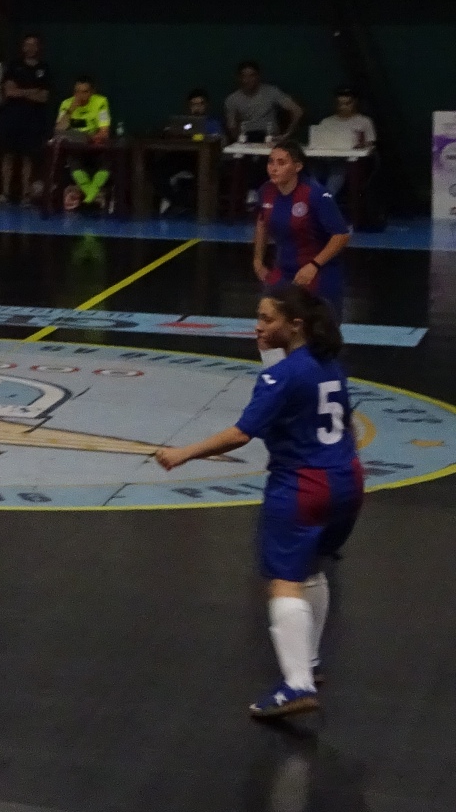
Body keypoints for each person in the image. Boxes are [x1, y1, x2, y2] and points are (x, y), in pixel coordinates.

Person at [156, 286, 361, 719]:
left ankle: (296, 684)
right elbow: (335, 415)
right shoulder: (329, 364)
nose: (257, 326)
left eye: (267, 319)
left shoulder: (280, 377)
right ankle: (310, 661)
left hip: (302, 485)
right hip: (346, 479)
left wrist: (183, 453)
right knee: (313, 568)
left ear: (295, 325)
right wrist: (271, 350)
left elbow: (241, 433)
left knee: (283, 581)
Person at [255, 139, 350, 322]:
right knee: (271, 325)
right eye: (271, 162)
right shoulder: (266, 192)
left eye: (281, 163)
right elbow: (262, 222)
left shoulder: (315, 194)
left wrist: (314, 265)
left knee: (319, 331)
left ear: (297, 167)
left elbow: (341, 235)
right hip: (283, 271)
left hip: (318, 273)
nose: (274, 168)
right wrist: (257, 261)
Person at [0, 34, 52, 205]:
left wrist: (20, 91)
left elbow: (43, 96)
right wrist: (31, 91)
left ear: (38, 47)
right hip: (12, 119)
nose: (30, 48)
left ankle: (26, 195)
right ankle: (5, 194)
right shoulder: (14, 66)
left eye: (33, 44)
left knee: (28, 157)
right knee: (8, 155)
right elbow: (9, 92)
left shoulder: (44, 69)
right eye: (27, 44)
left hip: (33, 121)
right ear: (22, 47)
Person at [156, 88, 224, 215]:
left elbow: (219, 141)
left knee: (206, 172)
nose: (197, 108)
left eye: (200, 104)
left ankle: (191, 206)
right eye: (194, 104)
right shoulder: (184, 124)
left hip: (205, 160)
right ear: (189, 106)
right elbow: (171, 133)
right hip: (183, 157)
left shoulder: (213, 124)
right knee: (159, 168)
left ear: (206, 105)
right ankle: (177, 201)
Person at [53, 74, 112, 209]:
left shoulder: (101, 102)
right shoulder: (66, 104)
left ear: (92, 92)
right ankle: (93, 196)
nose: (80, 95)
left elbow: (104, 131)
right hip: (74, 147)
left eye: (84, 92)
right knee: (72, 159)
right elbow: (59, 129)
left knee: (107, 162)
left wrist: (91, 138)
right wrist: (71, 110)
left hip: (94, 145)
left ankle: (90, 196)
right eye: (77, 92)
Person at [308, 86, 376, 198]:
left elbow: (370, 144)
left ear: (355, 102)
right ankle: (313, 198)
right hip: (324, 158)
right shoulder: (326, 122)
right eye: (340, 104)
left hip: (346, 160)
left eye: (347, 103)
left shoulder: (364, 121)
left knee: (338, 171)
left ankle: (326, 199)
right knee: (312, 169)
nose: (343, 107)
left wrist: (360, 145)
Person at [225, 61, 302, 143]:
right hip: (247, 141)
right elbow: (231, 125)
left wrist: (286, 135)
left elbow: (297, 111)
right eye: (244, 76)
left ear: (258, 76)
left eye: (252, 75)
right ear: (239, 78)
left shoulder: (272, 92)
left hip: (270, 139)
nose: (248, 80)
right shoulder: (232, 99)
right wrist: (239, 141)